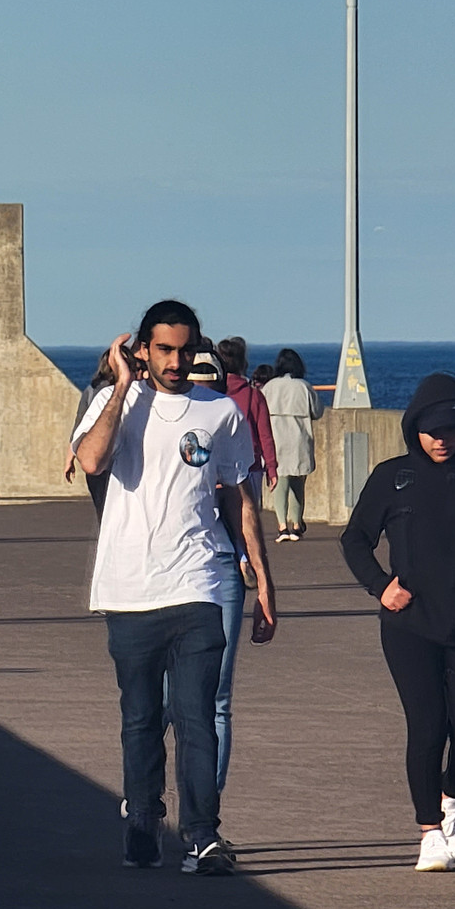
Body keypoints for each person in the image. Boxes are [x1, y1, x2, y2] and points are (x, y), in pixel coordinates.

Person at [72, 300, 276, 876]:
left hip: (199, 582)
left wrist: (262, 580)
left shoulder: (219, 413)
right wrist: (119, 386)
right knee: (139, 717)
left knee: (196, 715)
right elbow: (90, 460)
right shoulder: (117, 405)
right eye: (164, 349)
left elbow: (239, 499)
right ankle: (142, 818)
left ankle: (202, 837)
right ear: (141, 349)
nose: (176, 361)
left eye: (186, 349)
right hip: (129, 588)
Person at [341, 374, 455, 871]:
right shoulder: (392, 477)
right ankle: (428, 831)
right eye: (430, 430)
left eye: (450, 431)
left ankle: (451, 798)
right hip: (409, 623)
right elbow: (355, 539)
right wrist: (381, 586)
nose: (440, 439)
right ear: (414, 428)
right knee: (428, 724)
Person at [217, 336, 278, 590]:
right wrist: (272, 467)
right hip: (249, 465)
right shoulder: (253, 396)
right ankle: (246, 557)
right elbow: (265, 434)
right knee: (248, 517)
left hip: (218, 465)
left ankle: (235, 558)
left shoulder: (211, 396)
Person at [263, 348, 322, 542]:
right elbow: (317, 411)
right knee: (298, 483)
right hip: (299, 439)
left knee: (279, 482)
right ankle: (296, 524)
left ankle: (282, 526)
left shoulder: (270, 387)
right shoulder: (304, 387)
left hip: (277, 438)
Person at [64, 350, 119, 524]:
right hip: (115, 460)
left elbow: (79, 427)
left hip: (96, 460)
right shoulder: (125, 391)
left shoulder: (92, 389)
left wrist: (69, 460)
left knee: (103, 511)